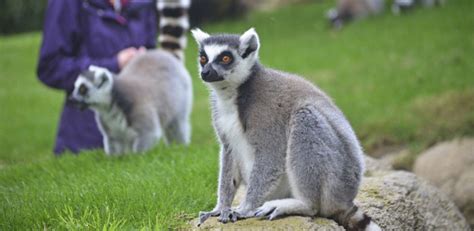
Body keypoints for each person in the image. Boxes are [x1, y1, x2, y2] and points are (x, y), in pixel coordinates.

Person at [37, 0, 158, 155]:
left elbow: (149, 48)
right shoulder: (67, 3)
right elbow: (51, 66)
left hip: (136, 135)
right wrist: (114, 64)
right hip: (84, 139)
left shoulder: (143, 4)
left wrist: (143, 61)